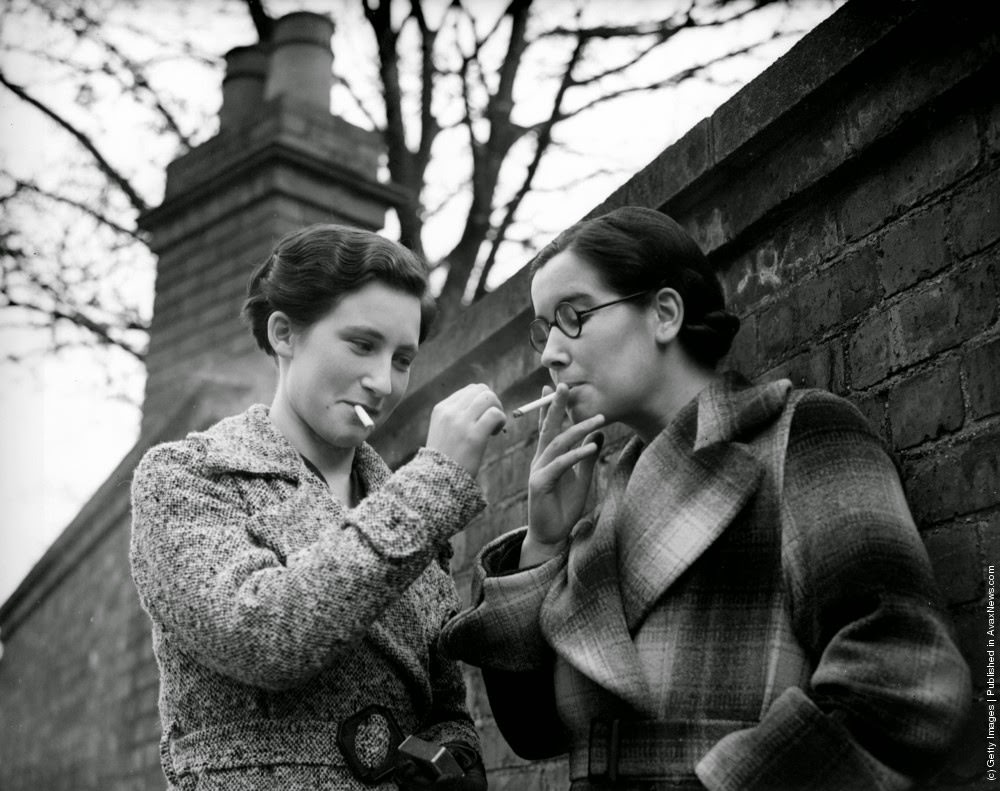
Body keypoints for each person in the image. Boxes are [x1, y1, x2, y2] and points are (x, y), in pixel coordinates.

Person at [440, 206, 971, 790]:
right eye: (543, 331)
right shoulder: (601, 513)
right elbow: (533, 732)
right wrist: (543, 544)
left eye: (574, 317)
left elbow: (902, 682)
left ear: (664, 314)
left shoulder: (796, 438)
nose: (549, 355)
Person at [130, 224, 504, 790]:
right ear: (284, 333)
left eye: (403, 358)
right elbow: (260, 636)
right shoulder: (188, 478)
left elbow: (446, 704)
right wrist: (431, 486)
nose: (383, 381)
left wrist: (453, 758)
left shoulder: (404, 507)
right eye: (361, 344)